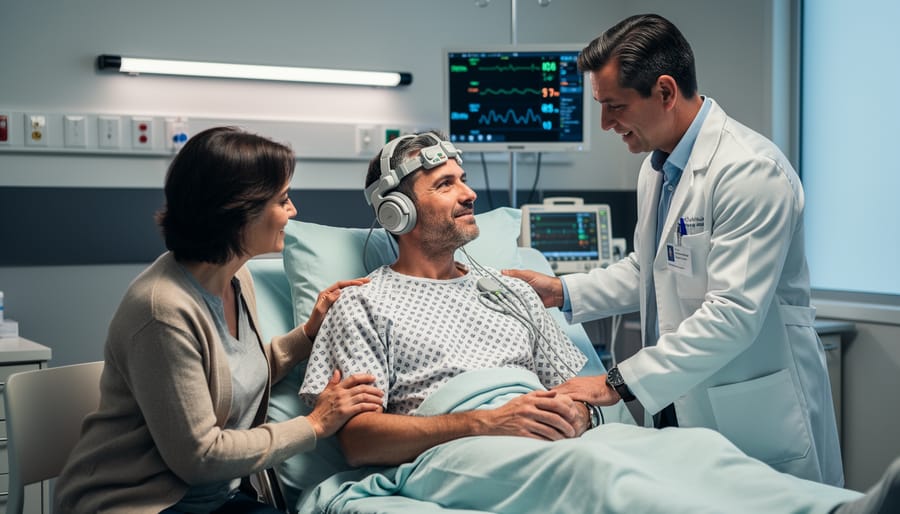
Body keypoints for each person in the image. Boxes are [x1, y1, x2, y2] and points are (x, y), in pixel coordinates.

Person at [297, 131, 900, 514]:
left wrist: (582, 408)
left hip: (550, 431)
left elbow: (585, 392)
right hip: (458, 446)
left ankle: (841, 510)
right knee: (596, 469)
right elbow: (355, 442)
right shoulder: (361, 303)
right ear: (396, 210)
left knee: (691, 452)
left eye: (465, 179)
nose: (470, 193)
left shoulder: (511, 293)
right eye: (446, 183)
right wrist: (484, 421)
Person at [503, 13, 843, 486]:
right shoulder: (658, 167)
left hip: (751, 407)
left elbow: (732, 314)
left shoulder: (749, 171)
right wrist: (560, 291)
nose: (605, 124)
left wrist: (614, 382)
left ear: (665, 92)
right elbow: (650, 267)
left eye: (615, 106)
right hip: (682, 399)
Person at [54, 126, 384, 514]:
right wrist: (314, 424)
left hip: (215, 500)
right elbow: (201, 456)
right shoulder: (163, 310)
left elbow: (234, 374)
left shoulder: (234, 277)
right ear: (238, 212)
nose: (292, 211)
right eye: (282, 199)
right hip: (139, 503)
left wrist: (308, 334)